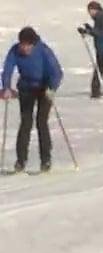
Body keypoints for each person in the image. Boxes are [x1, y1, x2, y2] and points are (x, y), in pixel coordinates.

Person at [2, 28, 62, 174]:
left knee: (41, 122)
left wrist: (52, 88)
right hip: (26, 87)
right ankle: (21, 161)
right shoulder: (15, 50)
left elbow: (56, 72)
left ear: (34, 44)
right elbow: (7, 69)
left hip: (44, 87)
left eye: (28, 45)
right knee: (25, 123)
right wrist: (6, 87)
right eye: (23, 44)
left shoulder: (43, 51)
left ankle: (45, 160)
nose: (25, 48)